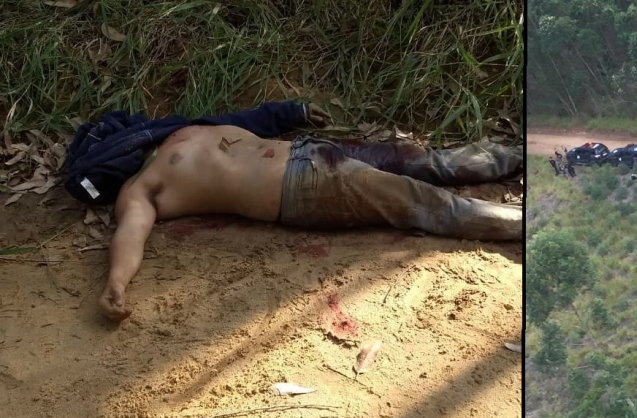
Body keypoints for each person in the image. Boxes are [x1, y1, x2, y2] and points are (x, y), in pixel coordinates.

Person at [63, 100, 523, 322]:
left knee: (431, 161)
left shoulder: (177, 130)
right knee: (422, 203)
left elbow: (250, 121)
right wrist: (116, 283)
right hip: (302, 186)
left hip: (311, 151)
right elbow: (131, 232)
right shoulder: (140, 186)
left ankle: (526, 155)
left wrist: (293, 110)